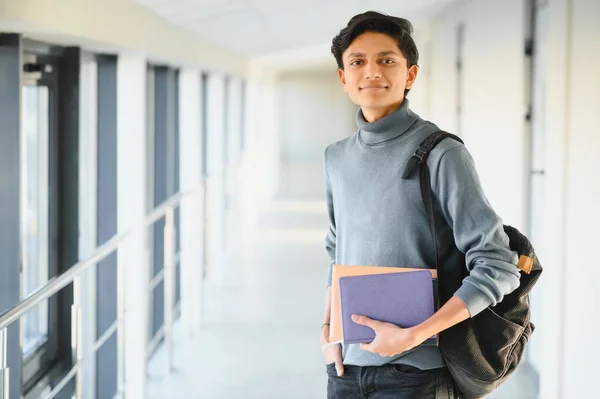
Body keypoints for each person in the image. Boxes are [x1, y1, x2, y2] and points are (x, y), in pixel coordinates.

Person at [320, 11, 521, 399]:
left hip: (418, 372)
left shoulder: (442, 154)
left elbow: (498, 264)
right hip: (345, 366)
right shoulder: (335, 157)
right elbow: (335, 250)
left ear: (410, 75)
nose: (372, 72)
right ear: (344, 78)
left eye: (387, 60)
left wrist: (414, 335)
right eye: (358, 62)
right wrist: (327, 333)